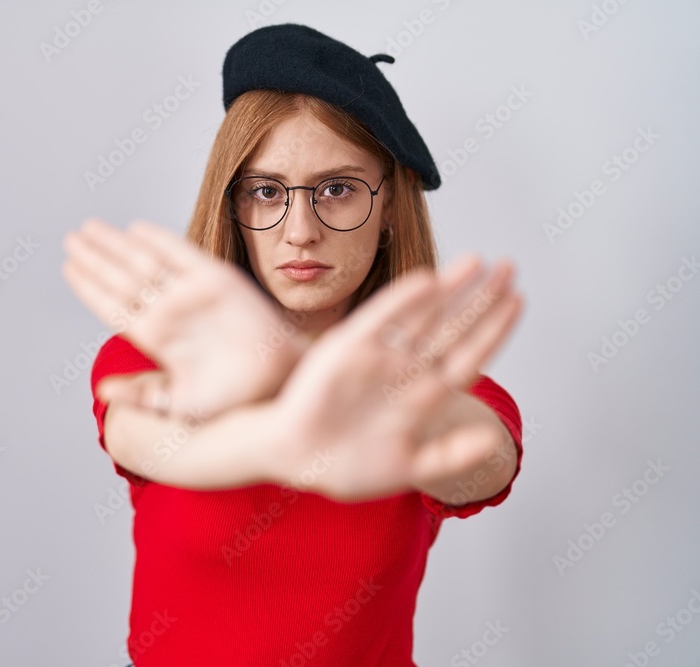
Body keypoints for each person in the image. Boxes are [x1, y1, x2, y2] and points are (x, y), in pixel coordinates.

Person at [62, 23, 524, 667]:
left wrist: (331, 383)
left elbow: (485, 462)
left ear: (390, 205)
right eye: (266, 191)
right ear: (232, 205)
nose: (299, 230)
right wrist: (284, 429)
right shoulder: (157, 360)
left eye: (337, 189)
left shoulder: (438, 385)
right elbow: (153, 445)